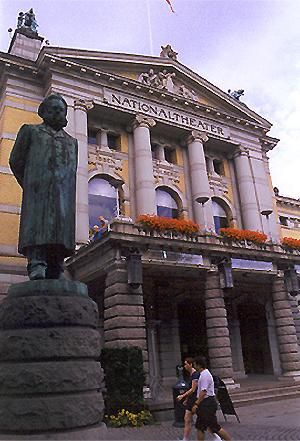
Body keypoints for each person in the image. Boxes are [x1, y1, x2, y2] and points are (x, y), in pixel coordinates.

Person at [9, 94, 78, 280]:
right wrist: (31, 184)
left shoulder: (72, 142)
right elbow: (16, 161)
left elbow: (72, 172)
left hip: (63, 195)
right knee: (38, 226)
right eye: (53, 109)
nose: (58, 113)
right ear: (43, 112)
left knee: (60, 229)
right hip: (37, 192)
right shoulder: (30, 131)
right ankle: (37, 263)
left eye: (61, 110)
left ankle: (56, 265)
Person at [192, 356, 231, 441]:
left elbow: (203, 392)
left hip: (207, 403)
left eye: (194, 364)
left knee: (215, 427)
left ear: (199, 365)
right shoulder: (203, 374)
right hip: (205, 403)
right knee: (200, 427)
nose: (194, 366)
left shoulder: (205, 375)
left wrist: (196, 403)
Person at [176, 358, 200, 441]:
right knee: (187, 419)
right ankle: (185, 439)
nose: (185, 366)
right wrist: (186, 399)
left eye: (186, 364)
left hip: (196, 400)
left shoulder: (195, 375)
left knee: (205, 420)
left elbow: (193, 389)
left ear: (191, 364)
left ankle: (216, 436)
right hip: (191, 400)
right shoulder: (191, 375)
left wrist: (182, 396)